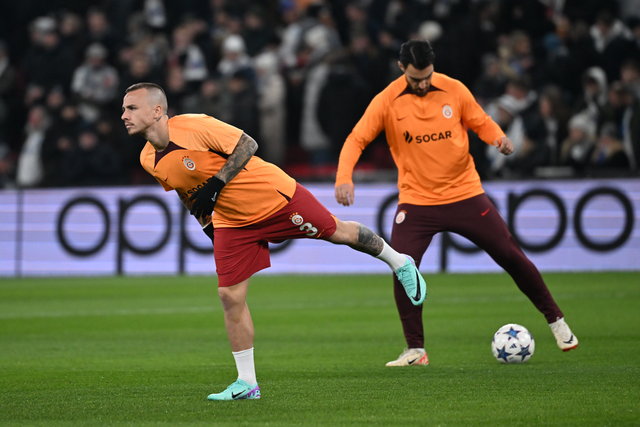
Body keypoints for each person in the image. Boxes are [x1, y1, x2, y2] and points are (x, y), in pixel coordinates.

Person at [120, 82, 427, 400]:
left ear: (157, 111)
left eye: (131, 108)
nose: (124, 115)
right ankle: (247, 383)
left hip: (274, 198)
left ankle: (400, 262)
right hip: (232, 222)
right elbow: (188, 194)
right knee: (229, 296)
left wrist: (218, 182)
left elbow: (247, 144)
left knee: (339, 232)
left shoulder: (194, 126)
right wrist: (207, 227)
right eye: (124, 109)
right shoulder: (148, 158)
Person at [334, 40, 579, 367]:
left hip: (465, 194)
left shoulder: (454, 89)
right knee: (403, 267)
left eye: (427, 76)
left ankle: (557, 322)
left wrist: (497, 137)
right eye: (415, 78)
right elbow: (357, 138)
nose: (423, 84)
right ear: (401, 68)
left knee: (510, 255)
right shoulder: (386, 100)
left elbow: (480, 121)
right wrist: (344, 177)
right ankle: (415, 350)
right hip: (417, 202)